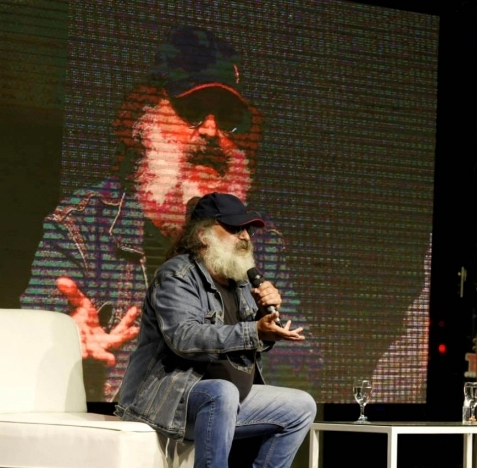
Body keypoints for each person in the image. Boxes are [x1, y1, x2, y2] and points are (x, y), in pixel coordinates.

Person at [19, 25, 321, 402]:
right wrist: (68, 340)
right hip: (130, 410)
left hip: (216, 406)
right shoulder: (81, 225)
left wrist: (267, 324)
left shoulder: (257, 240)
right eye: (191, 111)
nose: (211, 132)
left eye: (228, 118)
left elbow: (304, 366)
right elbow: (29, 341)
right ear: (142, 120)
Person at [115, 192, 317, 468]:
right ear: (205, 234)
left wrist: (264, 323)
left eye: (248, 230)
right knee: (221, 392)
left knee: (300, 405)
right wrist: (254, 331)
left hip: (220, 400)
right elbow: (185, 338)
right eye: (235, 228)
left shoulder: (238, 282)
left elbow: (247, 342)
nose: (245, 237)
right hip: (166, 397)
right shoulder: (176, 276)